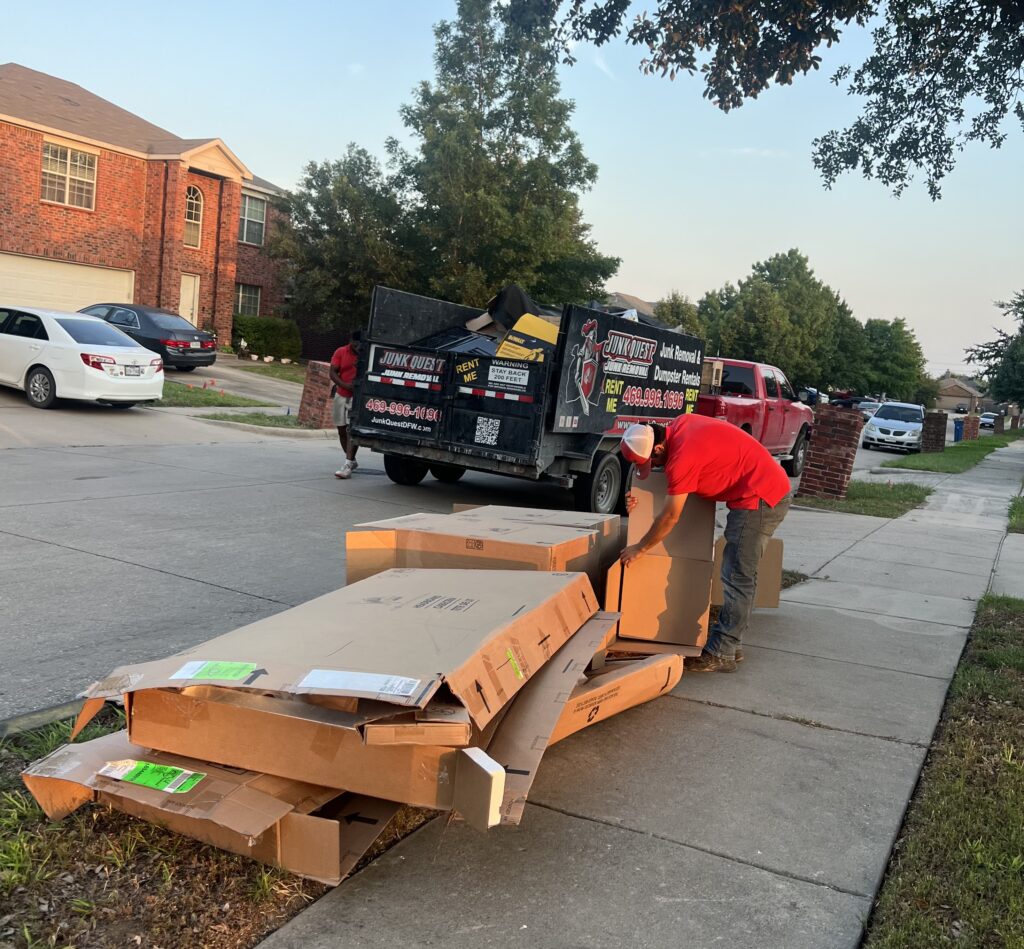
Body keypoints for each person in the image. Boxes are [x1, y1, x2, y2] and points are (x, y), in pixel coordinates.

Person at [618, 415, 792, 673]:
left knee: (737, 575)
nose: (653, 467)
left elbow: (670, 516)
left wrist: (640, 548)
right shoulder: (678, 429)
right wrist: (638, 497)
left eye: (652, 461)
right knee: (736, 573)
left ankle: (723, 652)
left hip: (761, 498)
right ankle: (731, 643)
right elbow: (672, 474)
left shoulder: (683, 456)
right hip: (759, 490)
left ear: (658, 448)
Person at [330, 329, 362, 479]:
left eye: (360, 345)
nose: (357, 348)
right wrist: (344, 385)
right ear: (351, 341)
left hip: (357, 398)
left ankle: (348, 464)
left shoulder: (365, 354)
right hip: (341, 394)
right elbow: (333, 373)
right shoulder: (341, 352)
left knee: (351, 430)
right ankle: (351, 460)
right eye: (355, 344)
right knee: (341, 430)